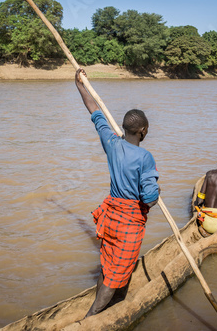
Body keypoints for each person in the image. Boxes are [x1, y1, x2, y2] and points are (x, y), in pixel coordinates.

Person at [75, 68, 160, 317]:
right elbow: (150, 199)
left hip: (110, 217)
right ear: (143, 131)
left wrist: (80, 85)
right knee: (114, 277)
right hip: (128, 224)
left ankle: (107, 306)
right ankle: (90, 319)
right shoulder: (145, 157)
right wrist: (157, 189)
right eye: (147, 128)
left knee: (107, 265)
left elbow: (95, 112)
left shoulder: (112, 143)